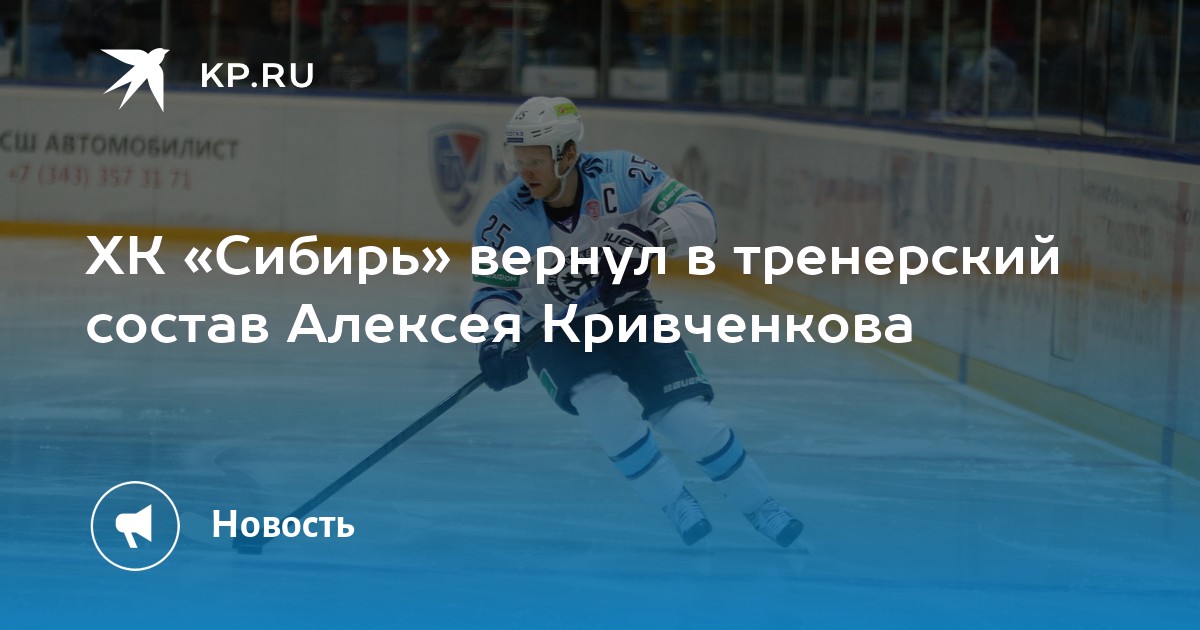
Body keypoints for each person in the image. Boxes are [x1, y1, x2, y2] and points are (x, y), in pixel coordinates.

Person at [468, 96, 804, 547]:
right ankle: (674, 501)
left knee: (688, 417)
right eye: (519, 160)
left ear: (568, 153)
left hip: (629, 312)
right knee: (602, 405)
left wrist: (650, 237)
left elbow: (700, 217)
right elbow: (494, 293)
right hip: (554, 331)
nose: (525, 172)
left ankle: (762, 506)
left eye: (536, 160)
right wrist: (496, 341)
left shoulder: (622, 173)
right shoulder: (504, 218)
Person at [446, 2, 510, 93]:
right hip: (469, 91)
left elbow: (488, 72)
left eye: (481, 21)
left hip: (494, 94)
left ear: (491, 22)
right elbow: (457, 67)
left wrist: (468, 66)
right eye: (475, 21)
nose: (476, 25)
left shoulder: (502, 47)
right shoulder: (470, 42)